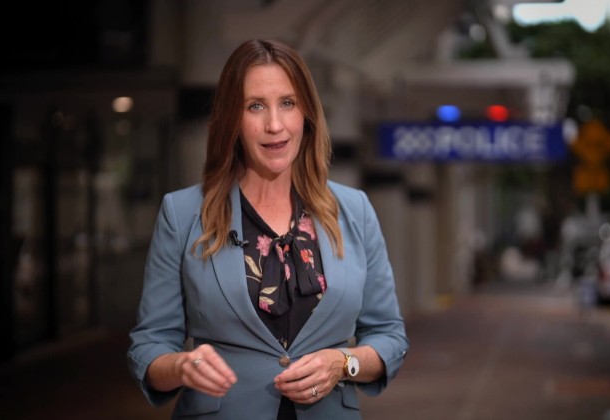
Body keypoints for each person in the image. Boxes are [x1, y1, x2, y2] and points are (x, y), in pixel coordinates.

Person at [127, 39, 409, 419]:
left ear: (307, 114)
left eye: (288, 103)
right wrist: (181, 366)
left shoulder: (354, 210)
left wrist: (344, 363)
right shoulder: (181, 214)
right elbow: (149, 346)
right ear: (232, 119)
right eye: (255, 106)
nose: (274, 125)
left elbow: (389, 336)